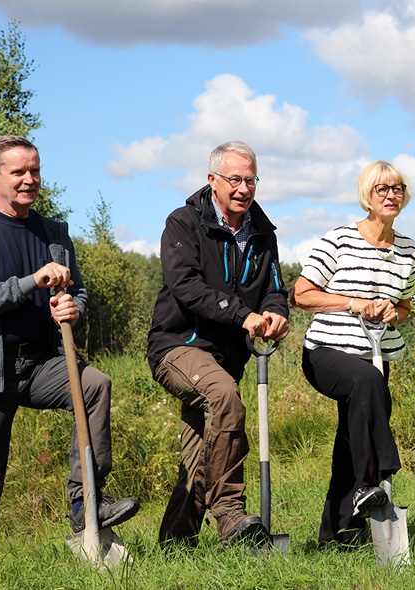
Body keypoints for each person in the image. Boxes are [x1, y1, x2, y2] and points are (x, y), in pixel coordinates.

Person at [0, 135, 139, 563]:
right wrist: (33, 281)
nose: (30, 180)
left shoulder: (53, 233)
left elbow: (78, 292)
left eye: (35, 170)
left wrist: (73, 307)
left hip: (44, 362)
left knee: (94, 385)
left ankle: (87, 506)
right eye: (19, 172)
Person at [147, 141, 290, 549]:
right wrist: (242, 315)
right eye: (234, 179)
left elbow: (275, 290)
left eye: (250, 180)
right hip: (178, 346)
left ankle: (175, 545)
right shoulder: (183, 222)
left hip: (228, 358)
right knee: (225, 398)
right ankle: (229, 513)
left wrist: (276, 313)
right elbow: (186, 286)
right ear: (212, 180)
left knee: (200, 455)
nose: (243, 188)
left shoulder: (263, 233)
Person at [291, 160, 415, 548]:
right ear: (367, 195)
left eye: (397, 188)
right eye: (382, 189)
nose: (391, 194)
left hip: (376, 353)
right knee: (367, 383)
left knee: (351, 438)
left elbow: (407, 307)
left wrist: (392, 312)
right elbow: (301, 293)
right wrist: (354, 303)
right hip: (327, 352)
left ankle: (339, 534)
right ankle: (373, 481)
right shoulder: (340, 239)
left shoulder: (408, 249)